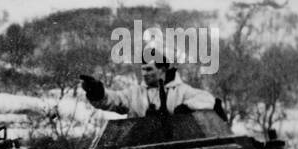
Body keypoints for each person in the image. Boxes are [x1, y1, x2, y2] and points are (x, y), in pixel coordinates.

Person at [80, 58, 219, 117]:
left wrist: (186, 107)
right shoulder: (135, 93)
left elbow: (208, 99)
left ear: (162, 70)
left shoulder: (181, 91)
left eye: (149, 69)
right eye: (143, 69)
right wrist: (96, 91)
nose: (144, 74)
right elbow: (113, 100)